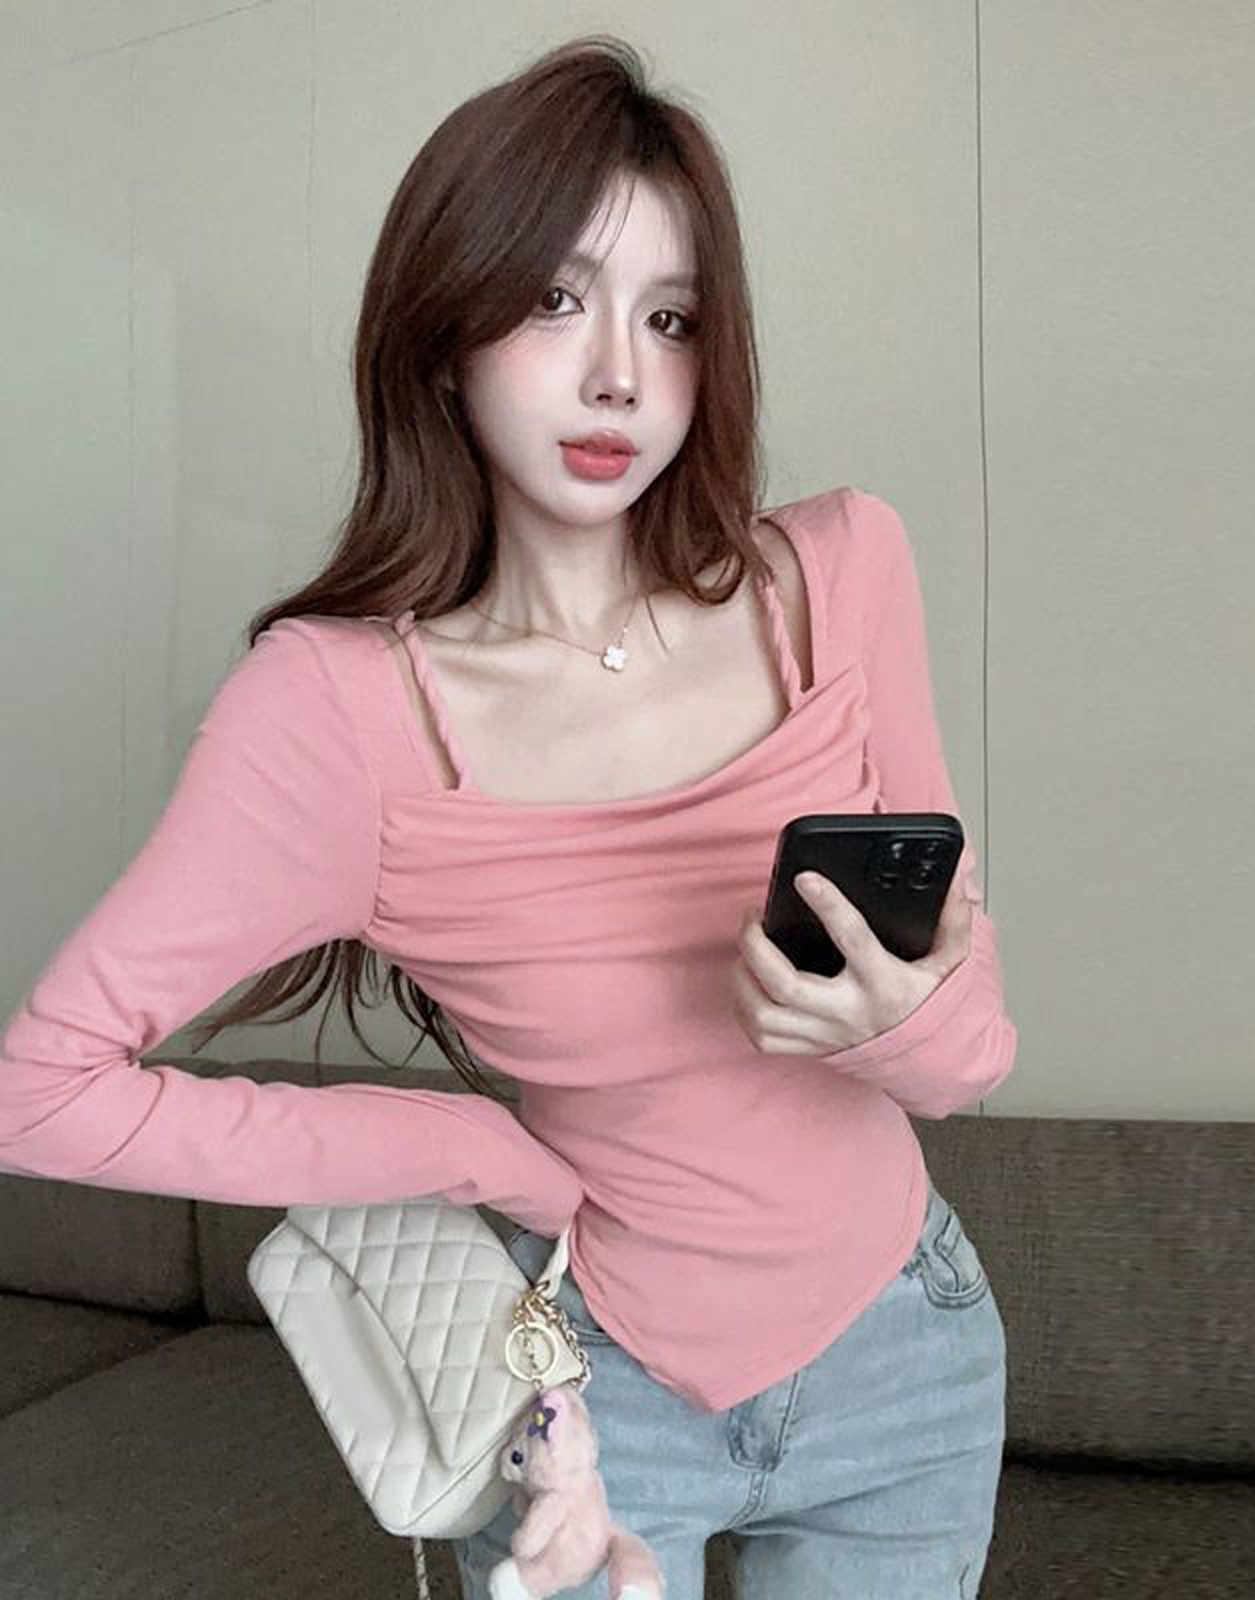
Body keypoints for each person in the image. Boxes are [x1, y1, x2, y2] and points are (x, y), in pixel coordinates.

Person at [0, 34, 1017, 1600]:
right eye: (554, 300)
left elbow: (970, 1061)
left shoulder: (837, 576)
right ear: (443, 337)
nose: (620, 375)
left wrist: (897, 1024)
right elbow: (39, 1092)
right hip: (595, 1411)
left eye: (669, 318)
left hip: (910, 1350)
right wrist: (468, 1146)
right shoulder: (335, 713)